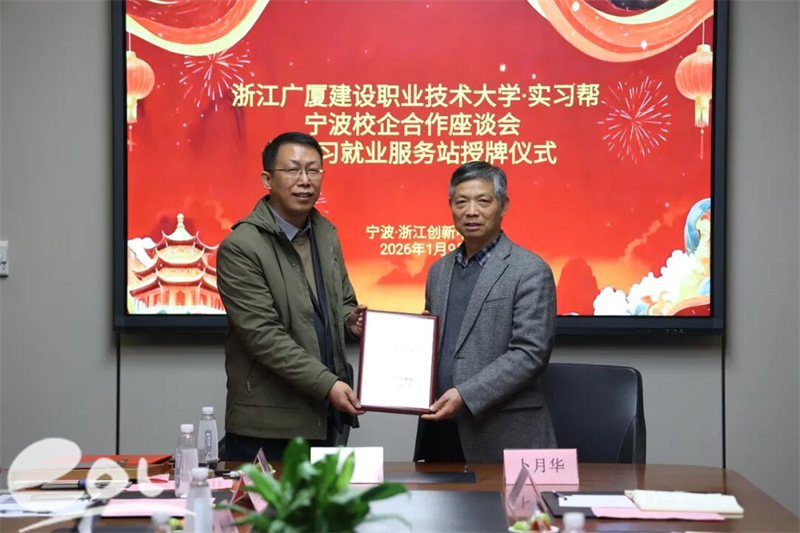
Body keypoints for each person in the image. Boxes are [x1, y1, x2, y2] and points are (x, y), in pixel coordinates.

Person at [216, 131, 365, 461]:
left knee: (325, 498)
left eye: (313, 170)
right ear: (267, 179)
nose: (305, 181)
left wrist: (349, 321)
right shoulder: (241, 247)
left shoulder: (325, 233)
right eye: (293, 170)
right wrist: (328, 384)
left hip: (325, 417)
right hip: (268, 425)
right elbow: (264, 336)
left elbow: (341, 301)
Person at [414, 161, 558, 463]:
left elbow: (530, 353)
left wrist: (465, 394)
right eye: (461, 202)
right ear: (451, 206)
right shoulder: (438, 271)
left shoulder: (530, 270)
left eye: (483, 201)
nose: (471, 211)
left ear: (503, 205)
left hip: (503, 432)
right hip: (439, 429)